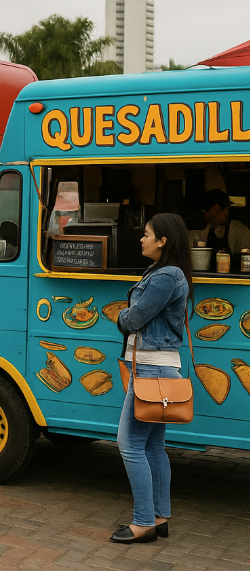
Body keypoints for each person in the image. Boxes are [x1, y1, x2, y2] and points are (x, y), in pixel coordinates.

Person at [111, 213, 193, 544]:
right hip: (157, 367)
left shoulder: (166, 277)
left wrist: (120, 315)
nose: (141, 239)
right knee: (153, 446)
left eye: (147, 234)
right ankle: (159, 517)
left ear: (164, 241)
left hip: (151, 369)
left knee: (128, 444)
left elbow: (134, 319)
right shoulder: (164, 273)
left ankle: (143, 521)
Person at [187, 189, 250, 267]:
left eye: (205, 212)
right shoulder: (205, 228)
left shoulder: (239, 230)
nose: (204, 216)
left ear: (216, 208)